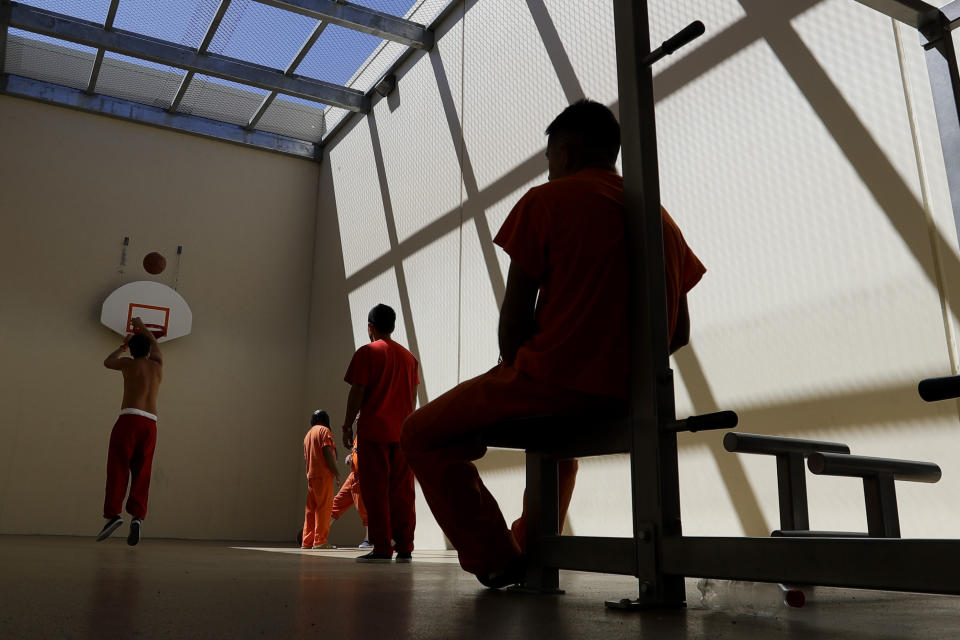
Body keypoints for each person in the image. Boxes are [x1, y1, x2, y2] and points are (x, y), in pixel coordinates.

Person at [401, 99, 706, 588]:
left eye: (548, 163)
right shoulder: (662, 222)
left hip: (548, 383)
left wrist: (516, 368)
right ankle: (528, 544)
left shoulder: (547, 201)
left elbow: (515, 318)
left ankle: (497, 556)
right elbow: (680, 332)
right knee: (560, 450)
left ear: (564, 153)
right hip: (628, 396)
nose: (548, 173)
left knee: (418, 432)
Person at [342, 304, 420, 562]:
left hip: (374, 431)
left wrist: (347, 425)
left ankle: (382, 548)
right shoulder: (409, 358)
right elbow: (413, 396)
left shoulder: (367, 353)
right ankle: (406, 546)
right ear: (394, 326)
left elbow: (357, 391)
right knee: (403, 491)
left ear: (370, 327)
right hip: (403, 433)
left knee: (376, 491)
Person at [98, 317, 164, 546]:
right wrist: (142, 326)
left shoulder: (127, 363)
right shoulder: (157, 366)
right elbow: (156, 347)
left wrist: (122, 346)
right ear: (148, 350)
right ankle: (137, 517)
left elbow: (107, 362)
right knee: (142, 470)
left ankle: (113, 515)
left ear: (132, 350)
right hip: (151, 424)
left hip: (129, 419)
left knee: (118, 466)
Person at [302, 410, 341, 549]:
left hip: (311, 476)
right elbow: (327, 453)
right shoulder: (324, 431)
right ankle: (320, 541)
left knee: (311, 510)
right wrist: (336, 473)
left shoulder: (308, 434)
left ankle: (307, 541)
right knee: (324, 508)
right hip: (323, 475)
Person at [330, 445, 370, 547]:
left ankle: (369, 539)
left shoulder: (371, 432)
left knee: (363, 509)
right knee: (336, 503)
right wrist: (351, 456)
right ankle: (319, 536)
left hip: (364, 475)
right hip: (353, 475)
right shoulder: (358, 435)